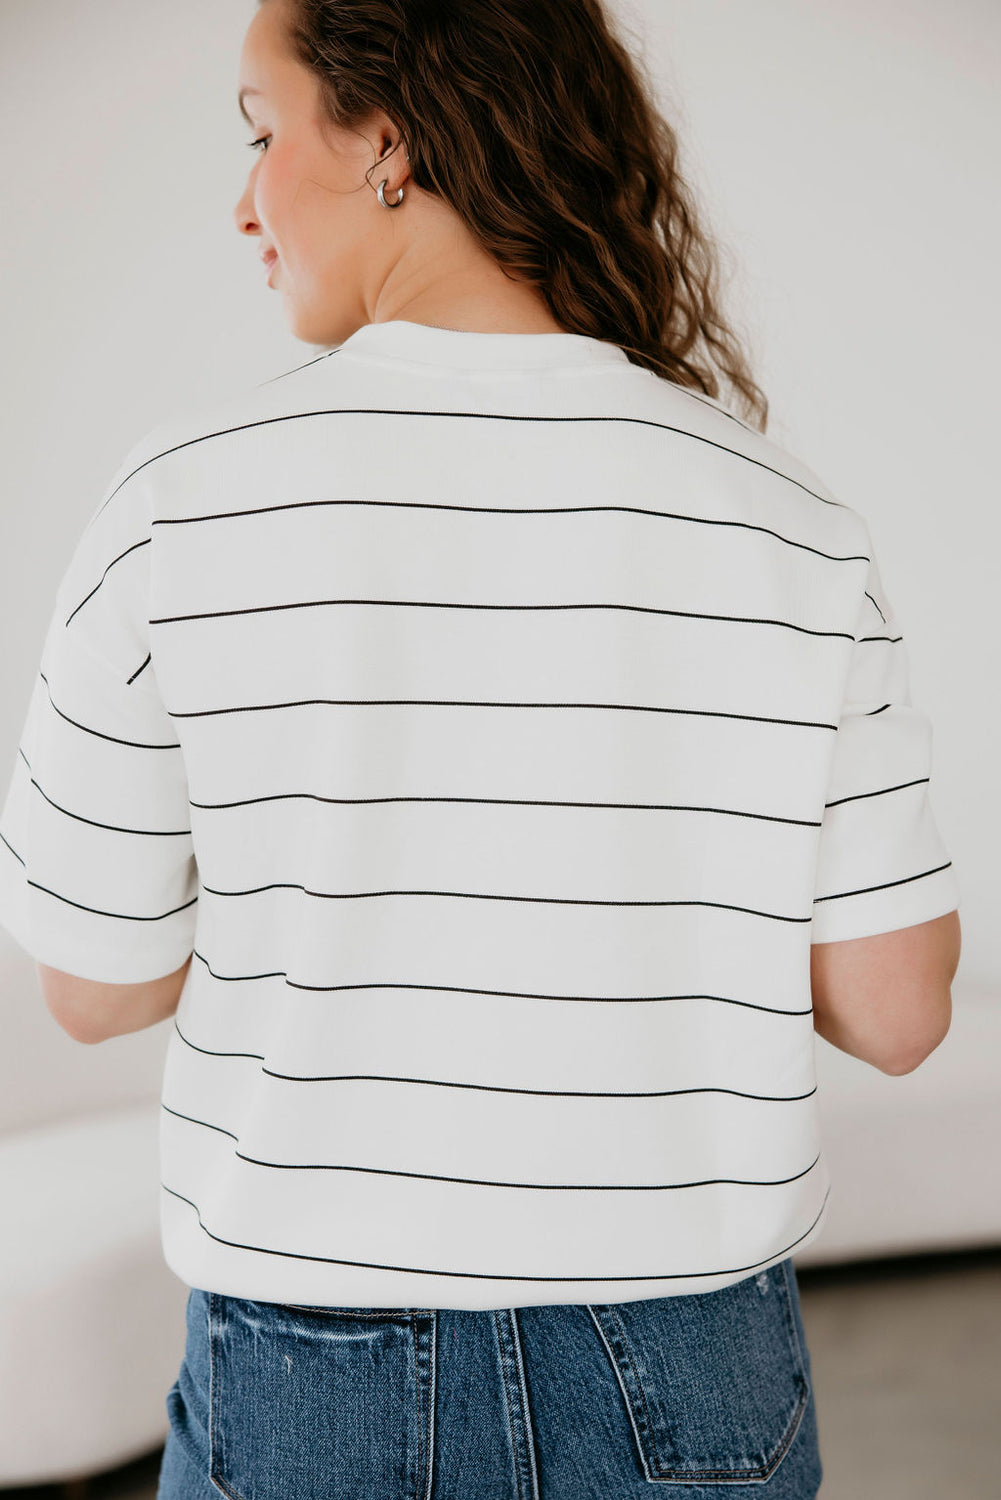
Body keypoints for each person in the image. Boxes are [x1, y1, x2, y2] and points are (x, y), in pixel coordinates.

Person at [0, 0, 962, 1496]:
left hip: (311, 1371)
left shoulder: (179, 505)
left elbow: (95, 985)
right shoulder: (786, 523)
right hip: (686, 1369)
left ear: (386, 141)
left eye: (262, 132)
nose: (243, 202)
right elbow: (897, 1012)